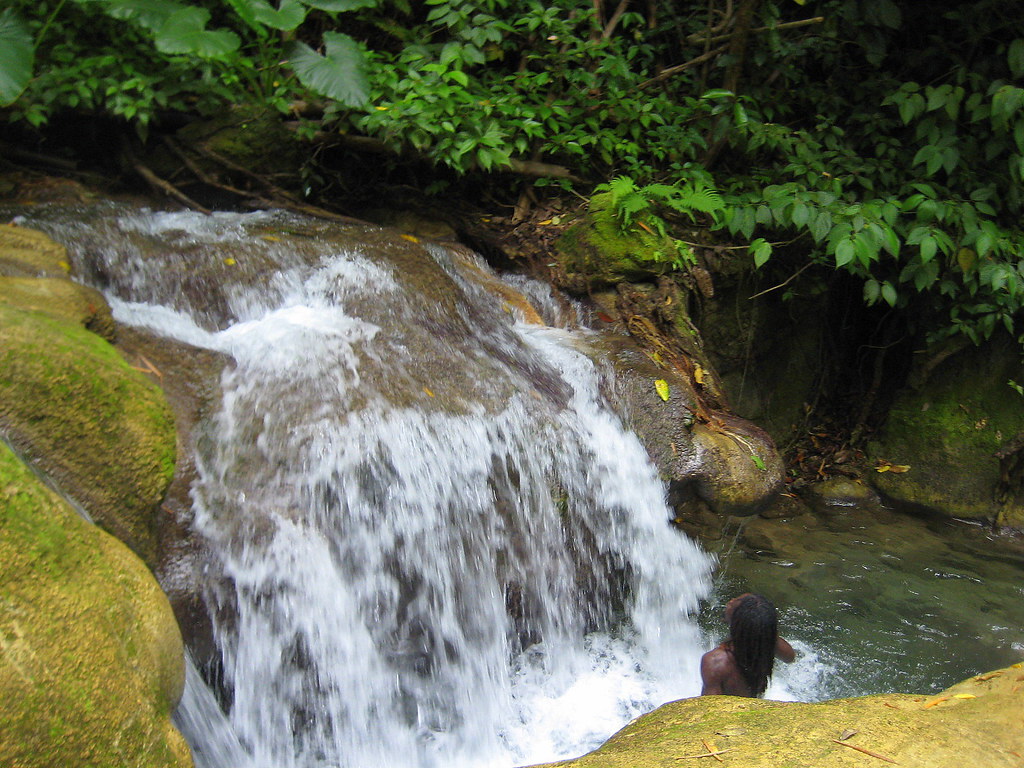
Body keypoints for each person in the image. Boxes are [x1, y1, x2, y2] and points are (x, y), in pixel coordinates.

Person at [700, 593, 795, 698]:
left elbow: (708, 707)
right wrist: (767, 629)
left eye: (736, 603)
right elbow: (790, 657)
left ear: (739, 622)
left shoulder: (715, 662)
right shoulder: (764, 642)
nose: (731, 601)